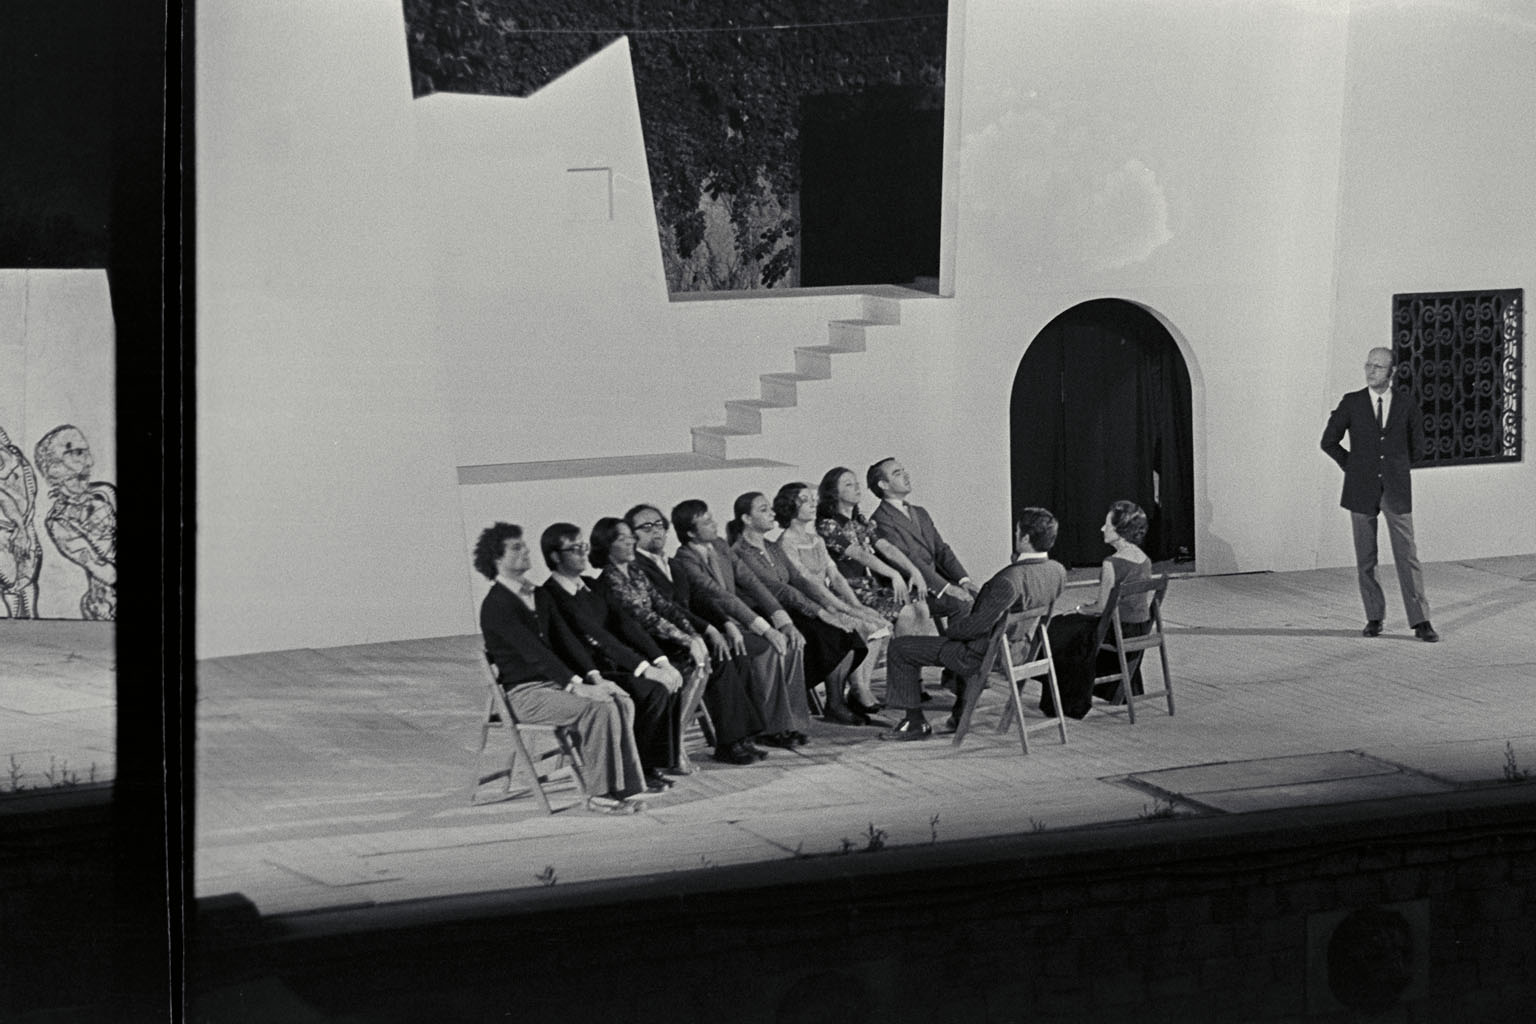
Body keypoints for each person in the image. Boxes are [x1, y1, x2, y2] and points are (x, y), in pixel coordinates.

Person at [473, 522, 646, 813]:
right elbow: (535, 653)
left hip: (556, 686)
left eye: (524, 544)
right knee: (597, 708)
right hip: (526, 694)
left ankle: (623, 787)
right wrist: (576, 686)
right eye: (516, 547)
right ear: (496, 559)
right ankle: (599, 793)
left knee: (621, 700)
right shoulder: (496, 605)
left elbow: (567, 642)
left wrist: (595, 678)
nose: (526, 550)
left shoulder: (539, 594)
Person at [589, 515, 769, 766]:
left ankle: (735, 740)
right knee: (704, 664)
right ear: (606, 545)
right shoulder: (610, 582)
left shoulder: (635, 573)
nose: (631, 542)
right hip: (642, 652)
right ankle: (701, 746)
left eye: (631, 536)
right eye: (623, 538)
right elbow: (646, 619)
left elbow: (666, 607)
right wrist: (688, 641)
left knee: (721, 656)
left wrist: (695, 636)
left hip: (662, 642)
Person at [878, 508, 1067, 740]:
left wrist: (951, 631)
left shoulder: (1009, 579)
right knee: (957, 639)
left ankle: (914, 722)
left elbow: (976, 627)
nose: (1015, 535)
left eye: (1017, 532)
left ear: (1026, 538)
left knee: (901, 647)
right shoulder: (1057, 571)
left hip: (986, 654)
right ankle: (959, 714)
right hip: (1022, 649)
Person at [538, 523, 682, 792]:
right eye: (574, 549)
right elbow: (597, 638)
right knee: (650, 691)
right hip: (589, 673)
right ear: (555, 556)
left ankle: (656, 763)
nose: (583, 554)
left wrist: (660, 661)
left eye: (584, 547)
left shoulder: (591, 586)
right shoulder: (550, 595)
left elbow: (625, 625)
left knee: (671, 682)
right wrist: (644, 670)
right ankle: (640, 769)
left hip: (612, 666)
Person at [668, 499, 812, 747]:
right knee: (769, 649)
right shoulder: (685, 560)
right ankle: (770, 726)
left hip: (742, 620)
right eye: (706, 522)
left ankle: (793, 722)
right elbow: (719, 596)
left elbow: (752, 582)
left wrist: (783, 621)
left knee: (792, 643)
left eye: (711, 518)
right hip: (723, 625)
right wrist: (766, 631)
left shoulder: (721, 546)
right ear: (690, 532)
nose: (715, 524)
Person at [1321, 347, 1438, 642]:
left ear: (1392, 372)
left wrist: (1396, 467)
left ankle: (1421, 620)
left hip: (1396, 489)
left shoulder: (1406, 404)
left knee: (1407, 554)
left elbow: (1419, 447)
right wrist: (1353, 467)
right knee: (1365, 557)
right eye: (1368, 365)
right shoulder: (1352, 402)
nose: (1371, 371)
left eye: (1378, 367)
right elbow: (1329, 441)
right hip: (1360, 490)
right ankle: (1374, 616)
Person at [728, 491, 869, 726]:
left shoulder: (772, 547)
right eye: (763, 510)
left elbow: (799, 581)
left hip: (793, 608)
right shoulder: (741, 552)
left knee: (847, 634)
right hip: (768, 613)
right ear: (746, 519)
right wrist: (821, 613)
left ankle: (836, 701)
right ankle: (812, 704)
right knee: (825, 635)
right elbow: (777, 589)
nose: (772, 513)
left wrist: (828, 608)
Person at [775, 480, 892, 717]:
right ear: (790, 507)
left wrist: (857, 606)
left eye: (812, 499)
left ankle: (861, 687)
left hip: (831, 600)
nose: (812, 504)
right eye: (804, 500)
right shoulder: (785, 543)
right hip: (811, 607)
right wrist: (850, 611)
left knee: (880, 625)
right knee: (857, 626)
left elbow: (836, 577)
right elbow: (809, 585)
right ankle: (839, 696)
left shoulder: (816, 540)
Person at [1041, 501, 1154, 719]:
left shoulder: (1112, 562)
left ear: (1120, 531)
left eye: (1107, 525)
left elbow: (1101, 608)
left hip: (1118, 630)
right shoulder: (1144, 559)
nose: (1102, 529)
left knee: (1058, 629)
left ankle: (1065, 699)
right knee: (1068, 626)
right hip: (1140, 628)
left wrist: (1078, 609)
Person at [815, 466, 926, 637]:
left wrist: (914, 570)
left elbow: (886, 547)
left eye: (856, 483)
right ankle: (899, 658)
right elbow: (859, 553)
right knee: (907, 612)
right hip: (850, 592)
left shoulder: (861, 522)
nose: (857, 487)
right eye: (848, 485)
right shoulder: (828, 525)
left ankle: (911, 660)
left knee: (921, 606)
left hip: (871, 586)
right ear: (834, 492)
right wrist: (893, 574)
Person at [867, 457, 978, 625]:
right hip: (914, 589)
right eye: (897, 473)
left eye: (904, 470)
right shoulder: (880, 519)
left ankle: (980, 650)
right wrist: (946, 588)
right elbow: (908, 558)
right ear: (883, 484)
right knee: (961, 603)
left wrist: (964, 580)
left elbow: (941, 550)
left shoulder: (920, 512)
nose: (906, 475)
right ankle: (954, 651)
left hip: (937, 581)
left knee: (981, 597)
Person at [33, 424, 115, 620]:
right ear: (53, 468)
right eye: (76, 453)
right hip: (107, 610)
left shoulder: (105, 492)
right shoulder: (59, 521)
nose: (89, 462)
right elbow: (107, 574)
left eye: (86, 452)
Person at [0, 425, 41, 618]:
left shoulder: (16, 456)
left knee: (27, 579)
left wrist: (24, 527)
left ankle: (30, 623)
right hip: (7, 532)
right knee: (10, 583)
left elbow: (30, 491)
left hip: (23, 526)